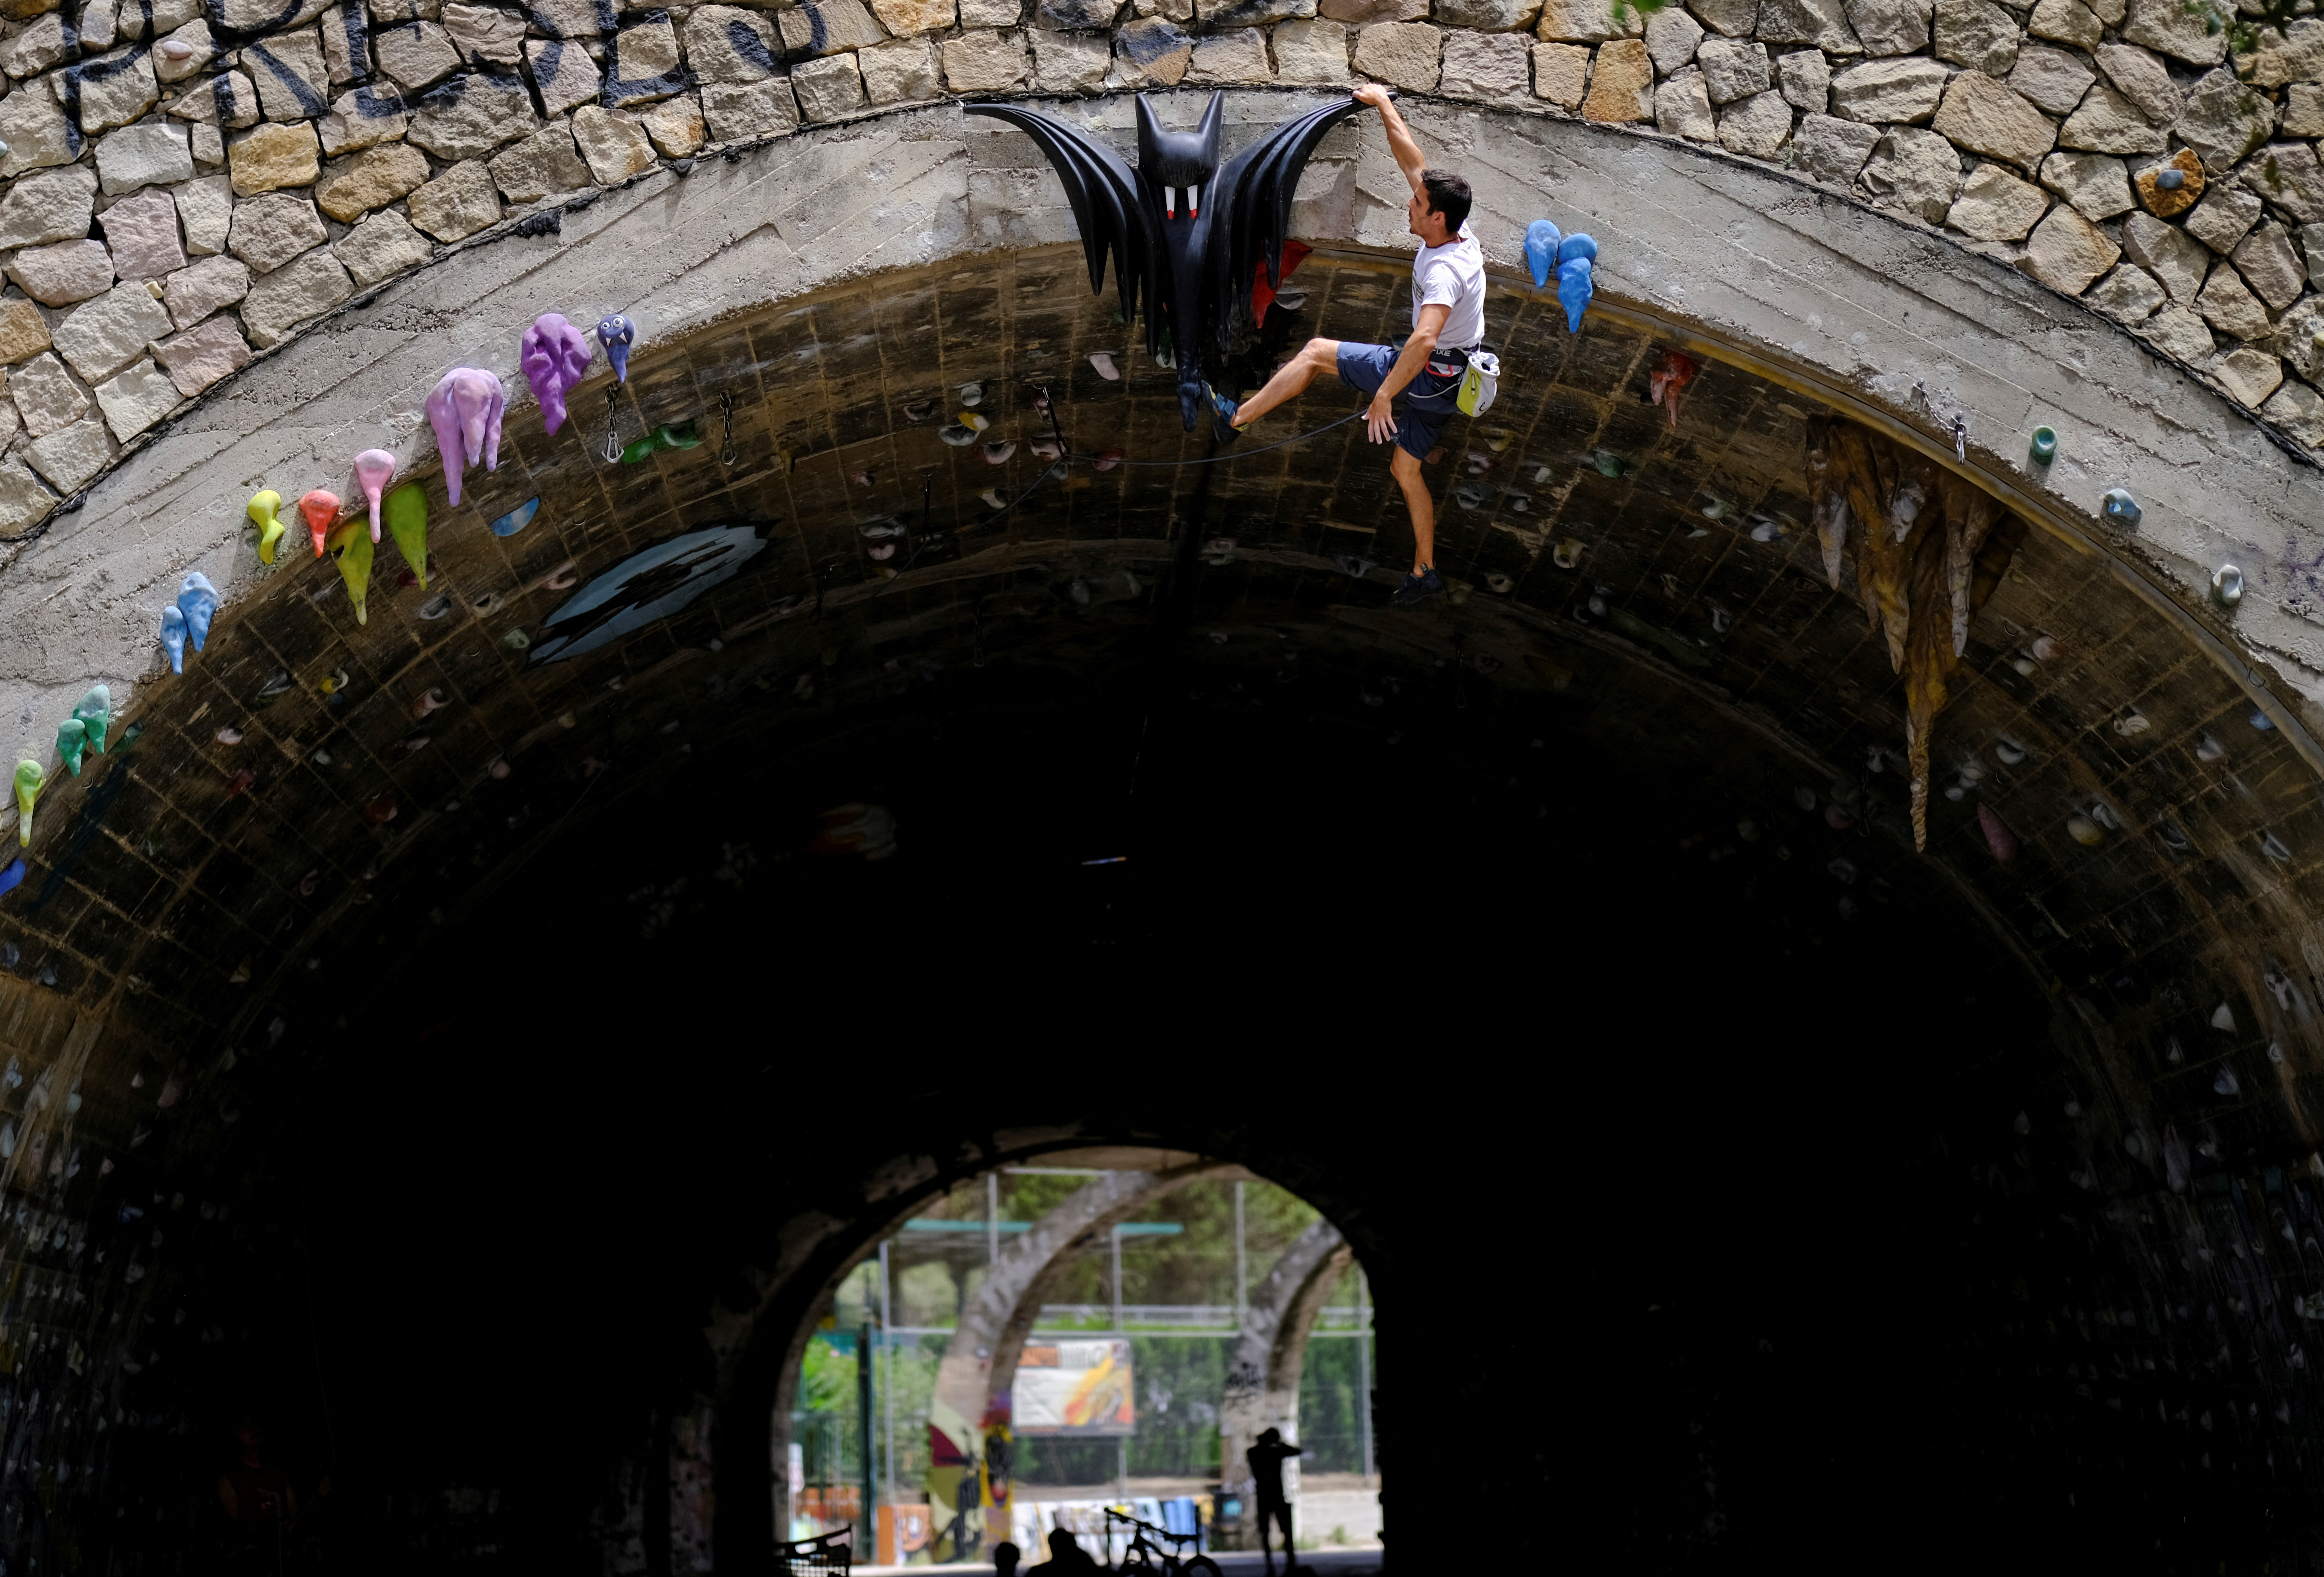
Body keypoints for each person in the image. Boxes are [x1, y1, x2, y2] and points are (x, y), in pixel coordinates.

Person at [1216, 84, 1485, 608]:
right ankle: (1425, 569)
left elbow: (1425, 337)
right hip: (1453, 384)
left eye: (1417, 204)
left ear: (1436, 218)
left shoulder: (1446, 274)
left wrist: (1385, 394)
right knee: (1405, 470)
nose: (1409, 204)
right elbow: (1413, 158)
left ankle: (1235, 420)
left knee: (1316, 352)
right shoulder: (1455, 231)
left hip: (1427, 373)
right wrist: (1384, 106)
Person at [1246, 1426, 1304, 1575]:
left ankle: (1271, 1565)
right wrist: (1280, 1445)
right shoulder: (1275, 1452)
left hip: (1264, 1498)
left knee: (1266, 1533)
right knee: (1285, 1531)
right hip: (1276, 1496)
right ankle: (1289, 1563)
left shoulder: (1254, 1452)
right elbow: (1297, 1451)